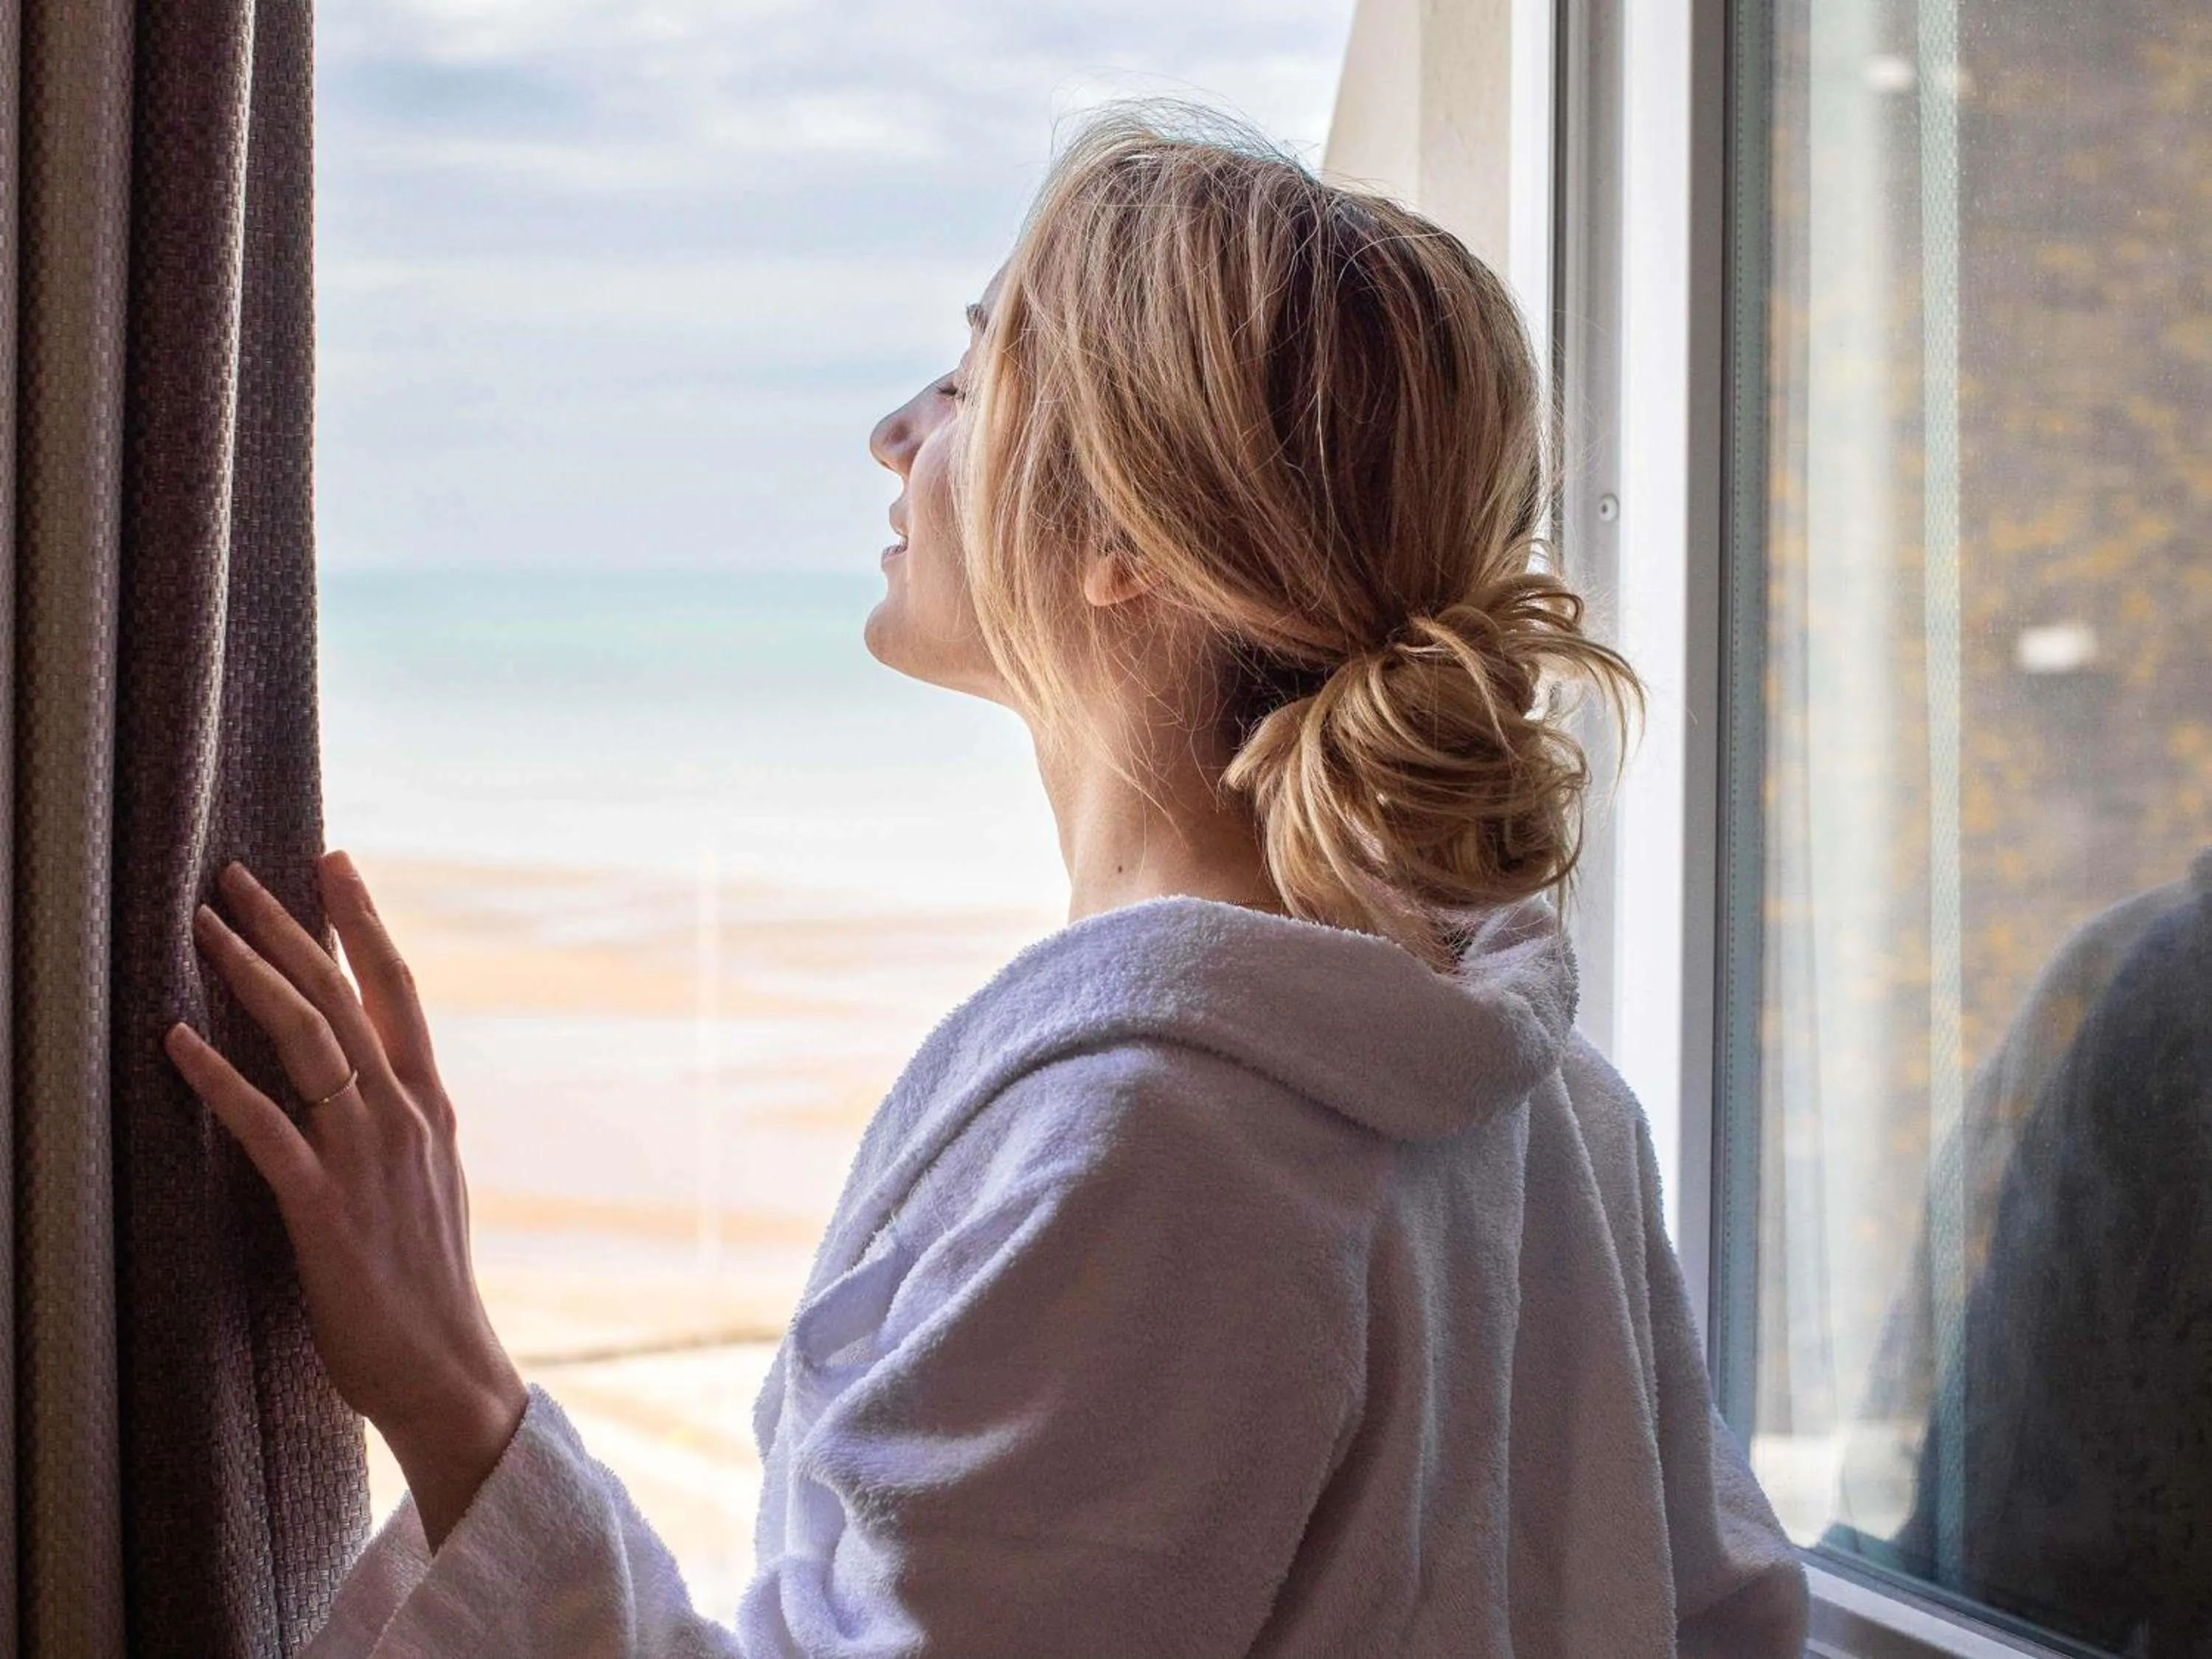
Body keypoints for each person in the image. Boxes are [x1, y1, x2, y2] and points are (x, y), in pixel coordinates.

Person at [162, 108, 1807, 1657]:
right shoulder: (1548, 1108)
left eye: (966, 377)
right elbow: (1726, 1614)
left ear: (1129, 547)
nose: (894, 431)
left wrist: (456, 1400)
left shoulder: (1157, 1152)